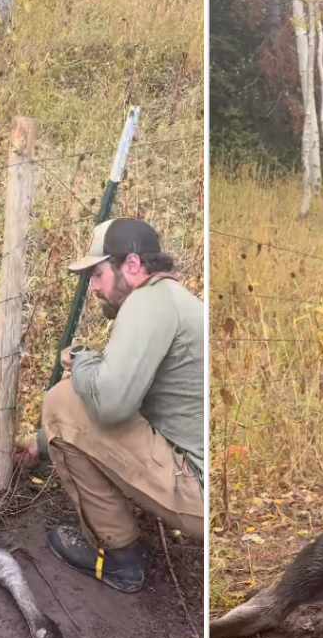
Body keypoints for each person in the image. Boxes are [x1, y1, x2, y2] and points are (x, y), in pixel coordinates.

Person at [14, 217, 205, 594]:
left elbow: (112, 406)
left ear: (131, 265)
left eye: (98, 274)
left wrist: (82, 361)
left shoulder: (147, 303)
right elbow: (137, 400)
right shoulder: (174, 301)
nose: (95, 287)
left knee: (62, 399)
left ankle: (115, 556)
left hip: (197, 489)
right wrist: (41, 442)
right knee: (73, 400)